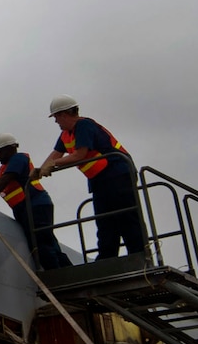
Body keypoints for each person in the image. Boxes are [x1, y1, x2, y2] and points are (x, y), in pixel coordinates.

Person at [36, 96, 146, 261]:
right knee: (104, 221)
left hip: (118, 173)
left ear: (65, 114)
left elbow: (80, 155)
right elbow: (56, 154)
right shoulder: (66, 134)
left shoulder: (84, 125)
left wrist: (53, 164)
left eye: (56, 117)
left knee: (126, 217)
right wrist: (38, 171)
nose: (56, 122)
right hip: (100, 179)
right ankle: (107, 259)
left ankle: (140, 256)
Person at [0, 133, 67, 270]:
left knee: (41, 242)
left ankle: (56, 273)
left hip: (35, 205)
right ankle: (66, 268)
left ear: (9, 149)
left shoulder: (19, 159)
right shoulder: (5, 168)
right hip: (25, 208)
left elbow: (4, 181)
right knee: (47, 240)